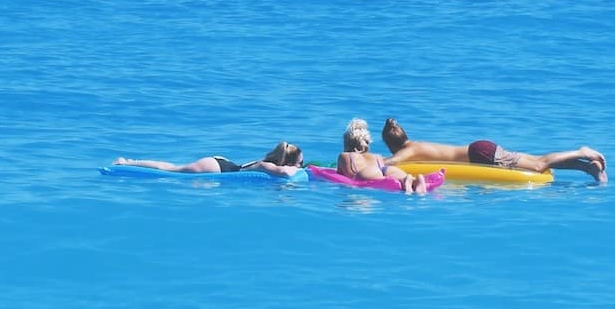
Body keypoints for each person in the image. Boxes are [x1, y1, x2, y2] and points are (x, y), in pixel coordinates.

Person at [380, 117, 607, 183]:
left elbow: (390, 163)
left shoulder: (407, 151)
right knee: (538, 162)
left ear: (392, 144)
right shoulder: (415, 144)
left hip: (481, 154)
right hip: (480, 149)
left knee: (540, 164)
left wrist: (366, 159)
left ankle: (581, 152)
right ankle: (586, 169)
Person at [335, 118, 429, 193]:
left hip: (366, 173)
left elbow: (339, 176)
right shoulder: (377, 156)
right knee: (398, 177)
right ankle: (411, 180)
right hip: (386, 170)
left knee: (381, 181)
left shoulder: (344, 155)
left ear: (347, 143)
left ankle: (406, 186)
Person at [113, 141, 303, 176]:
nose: (301, 165)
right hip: (215, 168)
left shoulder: (267, 163)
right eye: (299, 162)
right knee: (171, 169)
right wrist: (299, 170)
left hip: (223, 164)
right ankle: (128, 163)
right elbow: (285, 174)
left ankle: (129, 162)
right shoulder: (266, 165)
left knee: (173, 168)